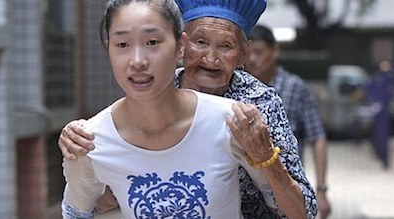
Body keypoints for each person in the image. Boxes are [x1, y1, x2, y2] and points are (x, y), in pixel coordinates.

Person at [59, 0, 318, 218]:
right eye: (200, 42)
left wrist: (265, 158)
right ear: (183, 47)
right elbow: (105, 190)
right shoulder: (154, 87)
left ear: (243, 55)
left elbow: (302, 210)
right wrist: (83, 148)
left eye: (225, 46)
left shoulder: (253, 106)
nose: (210, 58)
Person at [245, 24, 331, 219]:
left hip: (286, 190)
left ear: (275, 51)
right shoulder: (236, 89)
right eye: (248, 53)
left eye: (258, 52)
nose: (252, 59)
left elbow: (317, 137)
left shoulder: (295, 88)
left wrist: (322, 190)